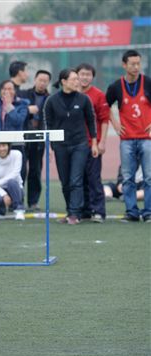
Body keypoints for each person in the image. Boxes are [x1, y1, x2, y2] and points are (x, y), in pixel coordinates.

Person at [44, 69, 97, 225]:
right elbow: (47, 125)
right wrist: (49, 147)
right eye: (74, 79)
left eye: (77, 79)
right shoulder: (52, 101)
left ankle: (75, 214)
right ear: (63, 81)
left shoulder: (84, 99)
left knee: (76, 180)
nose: (77, 82)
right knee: (65, 181)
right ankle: (70, 212)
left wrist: (93, 142)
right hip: (60, 146)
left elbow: (91, 121)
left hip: (80, 144)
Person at [105, 49, 151, 223]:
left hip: (147, 139)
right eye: (132, 64)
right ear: (124, 65)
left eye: (138, 63)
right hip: (127, 140)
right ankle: (131, 212)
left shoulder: (147, 82)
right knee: (128, 177)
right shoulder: (116, 86)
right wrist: (116, 124)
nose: (136, 66)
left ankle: (148, 212)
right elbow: (105, 106)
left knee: (149, 177)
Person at [77, 63, 110, 223]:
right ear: (76, 75)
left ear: (92, 77)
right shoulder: (70, 94)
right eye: (82, 74)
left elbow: (104, 120)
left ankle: (99, 211)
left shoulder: (98, 95)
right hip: (75, 146)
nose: (84, 77)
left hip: (93, 144)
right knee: (79, 179)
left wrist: (102, 142)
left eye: (88, 75)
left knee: (94, 178)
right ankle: (84, 211)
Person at [0, 79, 29, 179]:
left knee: (18, 176)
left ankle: (18, 194)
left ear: (15, 91)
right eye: (4, 89)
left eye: (10, 89)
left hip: (16, 145)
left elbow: (18, 121)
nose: (7, 91)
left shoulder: (22, 105)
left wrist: (9, 106)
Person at [22, 70, 51, 211]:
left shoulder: (50, 99)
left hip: (39, 142)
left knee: (35, 171)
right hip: (23, 138)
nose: (42, 83)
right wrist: (27, 110)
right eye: (40, 80)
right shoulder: (24, 94)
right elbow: (18, 110)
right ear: (35, 80)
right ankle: (18, 201)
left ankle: (33, 202)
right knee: (20, 170)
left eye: (45, 81)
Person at [0, 142, 25, 220]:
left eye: (4, 145)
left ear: (8, 146)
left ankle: (19, 210)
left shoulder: (17, 154)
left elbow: (15, 173)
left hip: (15, 188)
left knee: (11, 182)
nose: (2, 149)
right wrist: (4, 195)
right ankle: (1, 210)